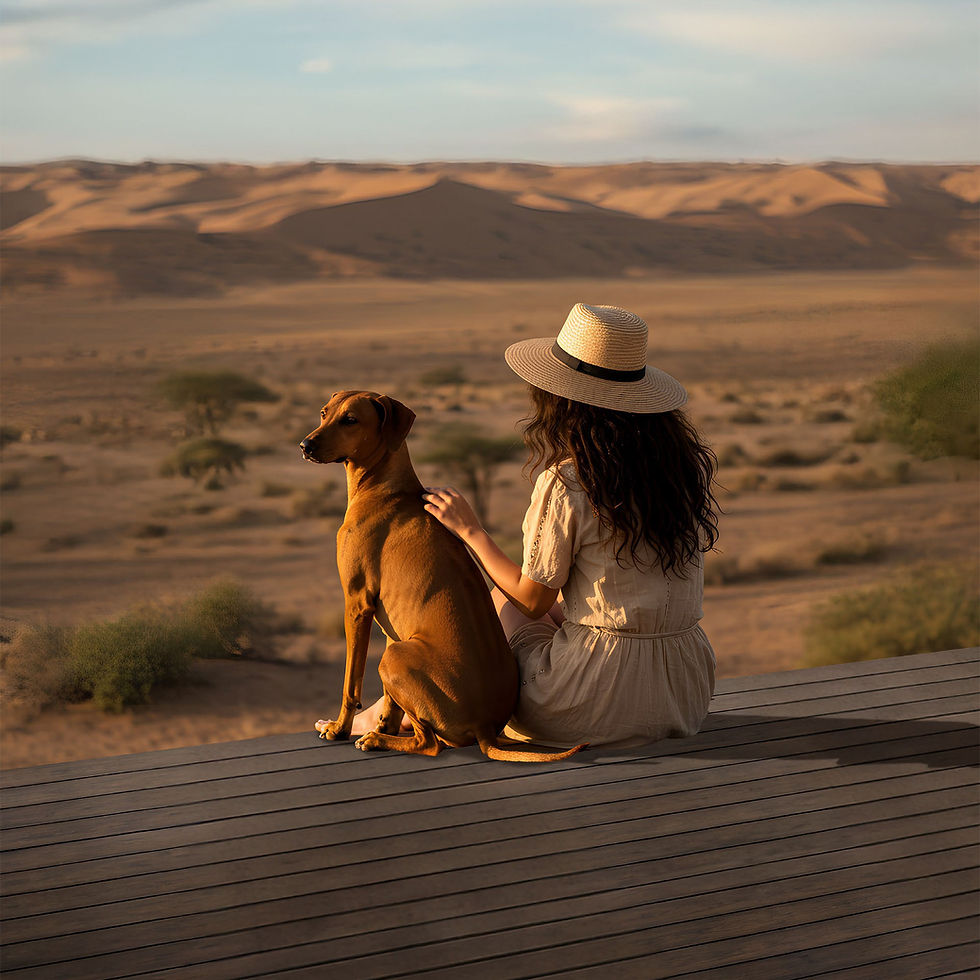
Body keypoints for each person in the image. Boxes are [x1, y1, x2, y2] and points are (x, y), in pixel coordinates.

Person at [349, 302, 720, 748]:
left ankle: (396, 709)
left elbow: (528, 599)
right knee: (557, 610)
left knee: (502, 606)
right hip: (683, 692)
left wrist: (471, 532)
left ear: (562, 398)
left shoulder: (569, 481)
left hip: (592, 702)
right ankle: (391, 709)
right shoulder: (680, 470)